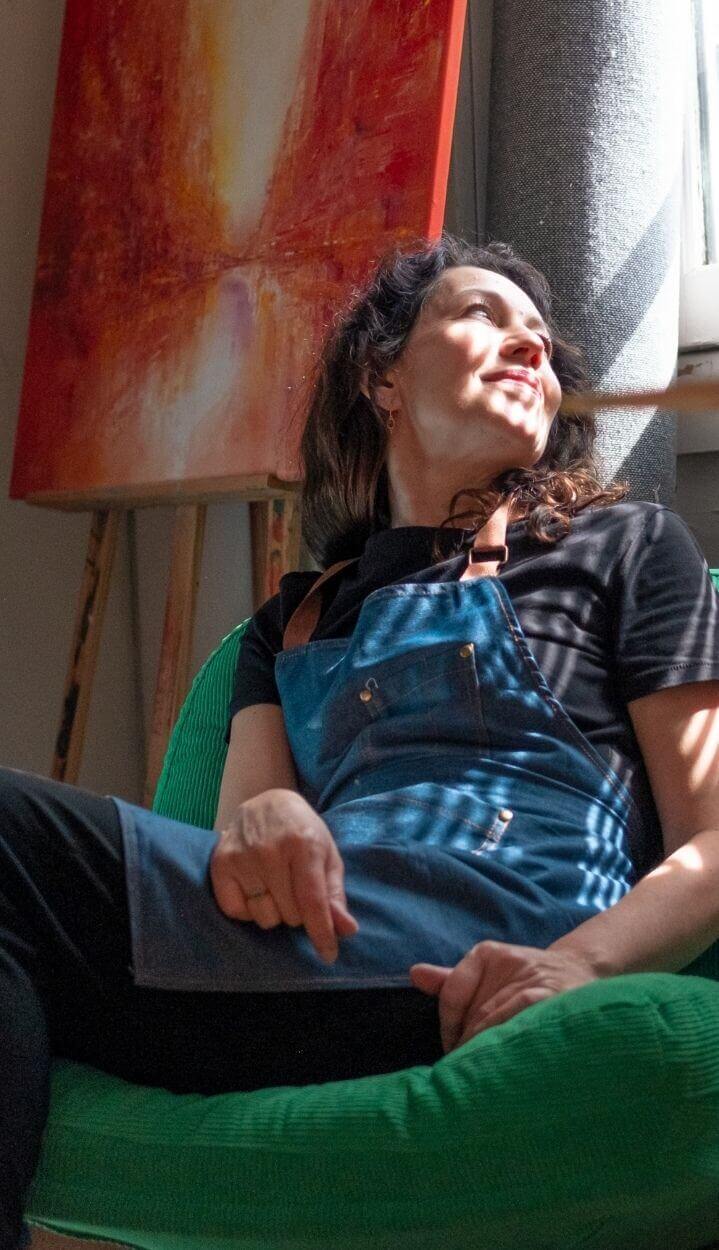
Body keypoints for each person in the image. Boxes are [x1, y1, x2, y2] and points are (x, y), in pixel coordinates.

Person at [2, 233, 719, 1250]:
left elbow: (711, 840)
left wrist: (573, 967)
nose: (530, 346)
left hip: (490, 936)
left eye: (542, 339)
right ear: (381, 378)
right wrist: (270, 813)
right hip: (317, 934)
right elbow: (239, 837)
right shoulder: (291, 622)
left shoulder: (627, 548)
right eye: (481, 315)